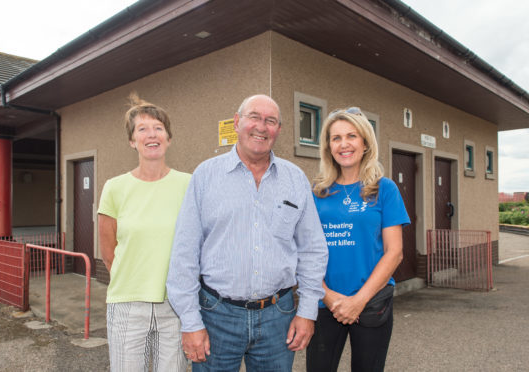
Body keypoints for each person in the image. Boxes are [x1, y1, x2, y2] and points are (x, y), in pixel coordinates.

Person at [166, 94, 328, 371]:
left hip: (279, 316)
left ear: (279, 129)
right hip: (216, 315)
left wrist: (308, 311)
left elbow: (312, 249)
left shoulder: (295, 179)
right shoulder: (206, 176)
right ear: (237, 122)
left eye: (271, 121)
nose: (261, 127)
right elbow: (185, 252)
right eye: (254, 117)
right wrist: (191, 322)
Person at [306, 107, 410, 372]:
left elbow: (394, 252)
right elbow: (303, 252)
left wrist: (359, 300)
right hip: (324, 303)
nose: (344, 144)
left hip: (371, 303)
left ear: (365, 143)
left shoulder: (384, 189)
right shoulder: (317, 193)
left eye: (351, 136)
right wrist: (328, 297)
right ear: (328, 146)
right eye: (336, 138)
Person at [97, 93, 190, 371]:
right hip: (127, 304)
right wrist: (134, 283)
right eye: (143, 129)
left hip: (175, 304)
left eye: (158, 128)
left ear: (169, 138)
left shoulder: (188, 184)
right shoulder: (114, 187)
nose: (152, 134)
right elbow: (108, 252)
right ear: (132, 141)